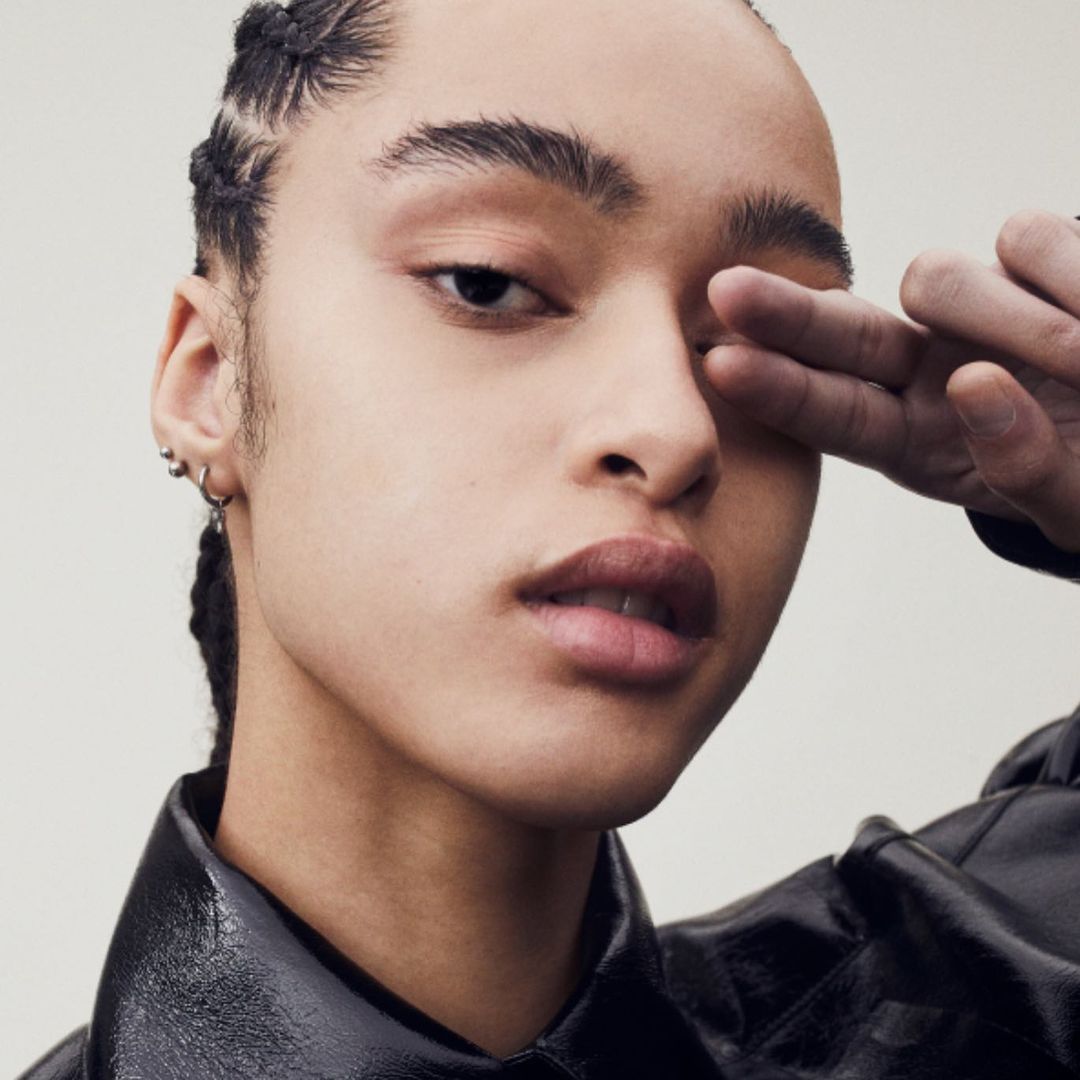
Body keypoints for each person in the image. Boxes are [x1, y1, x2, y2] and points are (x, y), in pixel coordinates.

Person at [18, 0, 1080, 1076]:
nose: (674, 429)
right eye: (488, 282)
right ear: (211, 380)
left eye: (760, 344)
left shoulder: (972, 1020)